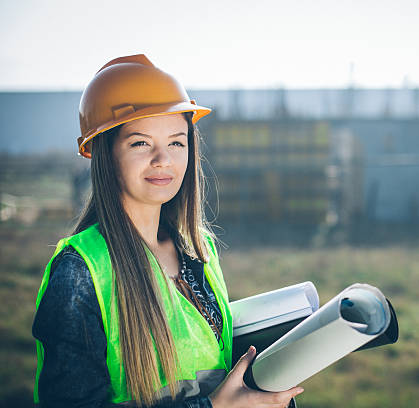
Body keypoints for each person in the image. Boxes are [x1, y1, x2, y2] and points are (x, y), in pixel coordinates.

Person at [31, 54, 303, 408]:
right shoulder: (81, 272)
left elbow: (212, 364)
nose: (164, 159)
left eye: (177, 142)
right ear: (104, 153)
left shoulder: (197, 249)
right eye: (141, 143)